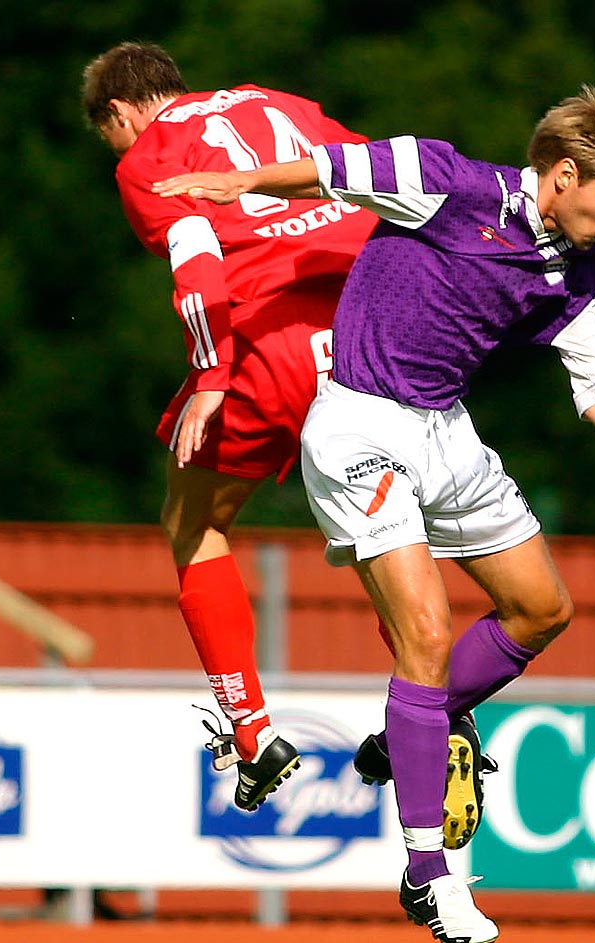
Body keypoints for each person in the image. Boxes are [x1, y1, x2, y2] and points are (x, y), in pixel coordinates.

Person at [154, 84, 595, 943]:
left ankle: (408, 727)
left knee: (542, 609)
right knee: (422, 633)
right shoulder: (448, 181)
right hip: (356, 423)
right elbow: (326, 172)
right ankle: (430, 875)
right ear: (564, 174)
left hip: (446, 430)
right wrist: (233, 188)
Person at [81, 43, 375, 811]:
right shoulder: (280, 102)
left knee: (192, 526)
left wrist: (211, 376)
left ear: (116, 112)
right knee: (386, 538)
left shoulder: (147, 154)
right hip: (367, 326)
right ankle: (438, 717)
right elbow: (379, 177)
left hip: (266, 339)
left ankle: (251, 734)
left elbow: (196, 257)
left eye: (107, 132)